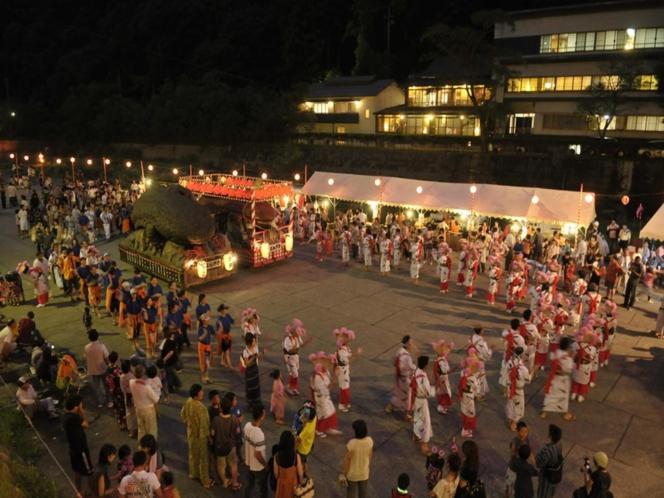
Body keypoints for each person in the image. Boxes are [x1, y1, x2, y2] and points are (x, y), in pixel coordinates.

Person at [179, 383, 213, 488]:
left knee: (193, 455)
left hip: (191, 433)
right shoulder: (201, 408)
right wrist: (209, 437)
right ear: (196, 395)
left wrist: (188, 423)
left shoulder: (188, 401)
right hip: (200, 436)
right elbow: (204, 425)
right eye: (201, 392)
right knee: (203, 459)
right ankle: (205, 480)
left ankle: (194, 473)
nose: (202, 393)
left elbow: (182, 414)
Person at [63, 394, 94, 494]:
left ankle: (79, 491)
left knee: (78, 471)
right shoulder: (74, 418)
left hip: (73, 449)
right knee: (89, 471)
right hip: (81, 450)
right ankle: (94, 492)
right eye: (81, 404)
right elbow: (86, 425)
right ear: (76, 406)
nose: (82, 405)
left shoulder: (66, 416)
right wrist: (82, 412)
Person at [211, 396, 241, 491]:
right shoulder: (234, 419)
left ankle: (225, 481)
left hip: (219, 447)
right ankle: (235, 482)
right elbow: (237, 431)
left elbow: (212, 433)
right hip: (231, 446)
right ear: (230, 408)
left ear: (221, 408)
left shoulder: (216, 419)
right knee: (233, 464)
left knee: (221, 466)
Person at [309, 351, 342, 436]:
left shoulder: (325, 371)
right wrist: (335, 378)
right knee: (323, 413)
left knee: (331, 410)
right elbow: (325, 388)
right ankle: (318, 429)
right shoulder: (317, 377)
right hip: (320, 397)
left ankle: (328, 427)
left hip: (325, 396)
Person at [410, 355, 435, 454]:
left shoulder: (416, 371)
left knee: (417, 417)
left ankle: (416, 435)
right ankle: (424, 444)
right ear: (425, 366)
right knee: (426, 421)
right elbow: (428, 392)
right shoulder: (423, 377)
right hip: (422, 400)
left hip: (416, 399)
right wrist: (434, 389)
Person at [342, 419, 373, 498]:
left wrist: (344, 474)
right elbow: (370, 455)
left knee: (351, 494)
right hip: (364, 473)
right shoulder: (369, 441)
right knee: (363, 494)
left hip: (352, 474)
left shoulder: (352, 443)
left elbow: (347, 461)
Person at [386, 335, 415, 419]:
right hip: (405, 378)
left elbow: (394, 361)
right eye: (411, 343)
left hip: (398, 377)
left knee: (399, 393)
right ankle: (407, 414)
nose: (412, 345)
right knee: (409, 394)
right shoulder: (407, 357)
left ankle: (390, 406)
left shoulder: (399, 351)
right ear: (407, 344)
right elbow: (410, 367)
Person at [243, 403, 268, 498]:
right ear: (261, 416)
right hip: (258, 467)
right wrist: (266, 466)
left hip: (248, 462)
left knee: (249, 484)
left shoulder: (247, 425)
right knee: (262, 486)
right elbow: (257, 454)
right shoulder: (259, 434)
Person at [129, 364, 160, 440]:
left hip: (138, 409)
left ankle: (142, 446)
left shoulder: (131, 382)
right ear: (143, 374)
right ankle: (151, 448)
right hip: (148, 410)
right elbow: (156, 399)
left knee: (141, 429)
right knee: (151, 430)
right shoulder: (147, 387)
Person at [535, 424, 563, 498]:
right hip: (555, 475)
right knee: (551, 493)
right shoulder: (559, 446)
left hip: (546, 476)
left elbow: (539, 463)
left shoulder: (547, 449)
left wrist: (536, 456)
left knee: (543, 494)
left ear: (550, 436)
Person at [273, 430, 304, 498]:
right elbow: (300, 473)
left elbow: (276, 474)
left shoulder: (276, 456)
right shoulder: (296, 457)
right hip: (293, 483)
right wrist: (301, 484)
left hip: (281, 483)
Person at [84, 329, 109, 408]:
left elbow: (85, 358)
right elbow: (107, 358)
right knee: (106, 385)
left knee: (97, 387)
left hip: (93, 370)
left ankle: (100, 402)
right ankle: (109, 401)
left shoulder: (86, 347)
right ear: (97, 336)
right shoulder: (102, 346)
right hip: (102, 369)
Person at [283, 319, 306, 395]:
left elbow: (301, 345)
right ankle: (290, 388)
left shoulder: (297, 337)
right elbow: (288, 350)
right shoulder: (287, 339)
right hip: (290, 357)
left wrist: (308, 341)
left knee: (293, 373)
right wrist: (295, 347)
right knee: (295, 374)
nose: (299, 334)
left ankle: (292, 387)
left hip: (296, 357)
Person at [241, 332, 262, 408]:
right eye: (253, 341)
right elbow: (247, 363)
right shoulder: (245, 351)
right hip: (249, 371)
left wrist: (260, 354)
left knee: (256, 385)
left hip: (255, 370)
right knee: (250, 386)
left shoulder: (255, 347)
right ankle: (250, 403)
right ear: (249, 343)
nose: (255, 342)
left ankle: (257, 401)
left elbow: (258, 356)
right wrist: (254, 357)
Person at [196, 313, 214, 384]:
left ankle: (207, 377)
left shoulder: (210, 327)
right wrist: (204, 334)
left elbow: (214, 333)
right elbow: (199, 339)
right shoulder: (200, 329)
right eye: (207, 319)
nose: (208, 320)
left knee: (208, 363)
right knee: (203, 363)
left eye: (208, 319)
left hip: (208, 346)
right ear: (203, 321)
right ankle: (203, 378)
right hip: (202, 346)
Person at [215, 303, 234, 367]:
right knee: (227, 351)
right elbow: (218, 332)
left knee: (223, 350)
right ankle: (230, 365)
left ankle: (222, 361)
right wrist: (220, 326)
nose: (226, 310)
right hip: (223, 337)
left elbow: (232, 321)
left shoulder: (228, 315)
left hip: (228, 336)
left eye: (226, 308)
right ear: (222, 310)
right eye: (225, 308)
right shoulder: (219, 320)